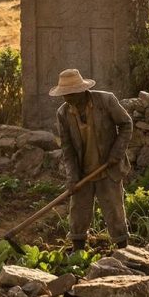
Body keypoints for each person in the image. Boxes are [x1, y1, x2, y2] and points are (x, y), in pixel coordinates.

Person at [52, 68, 133, 250]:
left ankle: (124, 250)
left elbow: (126, 124)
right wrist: (72, 177)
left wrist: (116, 153)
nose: (67, 99)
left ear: (81, 91)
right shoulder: (63, 113)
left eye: (71, 94)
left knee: (114, 211)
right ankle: (78, 250)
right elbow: (67, 148)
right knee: (78, 212)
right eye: (64, 95)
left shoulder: (106, 101)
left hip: (107, 168)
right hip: (83, 171)